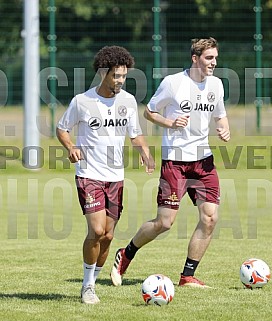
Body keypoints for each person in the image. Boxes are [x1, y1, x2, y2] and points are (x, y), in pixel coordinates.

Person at [110, 37, 230, 288]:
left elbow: (220, 116)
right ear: (195, 58)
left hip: (203, 161)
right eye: (209, 58)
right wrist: (170, 123)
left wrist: (223, 129)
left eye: (215, 58)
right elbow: (149, 112)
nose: (214, 63)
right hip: (175, 162)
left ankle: (187, 276)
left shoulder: (217, 85)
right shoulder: (173, 83)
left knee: (210, 218)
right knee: (164, 222)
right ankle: (127, 253)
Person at [56, 45, 155, 304]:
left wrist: (144, 151)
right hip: (89, 174)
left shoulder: (128, 101)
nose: (120, 81)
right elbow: (62, 129)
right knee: (97, 230)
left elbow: (135, 133)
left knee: (109, 235)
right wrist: (71, 147)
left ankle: (94, 280)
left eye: (124, 76)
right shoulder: (83, 101)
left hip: (116, 177)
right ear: (103, 73)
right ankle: (87, 287)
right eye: (116, 75)